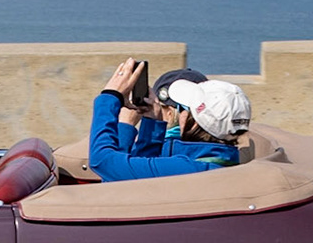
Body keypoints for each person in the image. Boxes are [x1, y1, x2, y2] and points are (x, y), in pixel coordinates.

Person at [88, 58, 250, 181]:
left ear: (191, 122)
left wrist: (110, 97)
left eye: (183, 109)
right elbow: (139, 178)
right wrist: (152, 124)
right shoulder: (224, 163)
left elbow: (102, 162)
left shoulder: (185, 168)